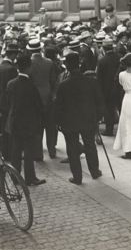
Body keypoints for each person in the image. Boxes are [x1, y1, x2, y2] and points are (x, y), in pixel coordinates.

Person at [55, 52, 104, 185]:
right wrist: (98, 117)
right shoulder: (91, 82)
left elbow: (58, 106)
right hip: (88, 119)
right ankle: (94, 171)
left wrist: (58, 122)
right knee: (90, 145)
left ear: (67, 67)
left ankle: (77, 177)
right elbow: (99, 101)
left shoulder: (63, 85)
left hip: (69, 122)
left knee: (72, 149)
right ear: (80, 64)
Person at [1, 54, 46, 186]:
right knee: (28, 152)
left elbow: (6, 103)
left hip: (15, 122)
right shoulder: (31, 85)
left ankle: (15, 178)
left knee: (15, 151)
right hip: (29, 124)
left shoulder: (11, 84)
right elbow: (38, 106)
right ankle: (30, 178)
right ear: (29, 68)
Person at [27, 39, 57, 159]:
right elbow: (53, 80)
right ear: (40, 49)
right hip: (48, 96)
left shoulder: (29, 63)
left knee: (37, 127)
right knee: (50, 125)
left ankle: (38, 153)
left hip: (34, 99)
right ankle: (52, 150)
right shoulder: (49, 62)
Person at [0, 44, 19, 161]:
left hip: (0, 102)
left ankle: (4, 152)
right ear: (13, 55)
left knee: (3, 129)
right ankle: (10, 153)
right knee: (10, 129)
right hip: (9, 103)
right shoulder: (12, 69)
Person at [96, 39, 120, 136]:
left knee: (109, 109)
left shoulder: (102, 60)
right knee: (120, 108)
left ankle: (109, 130)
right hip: (119, 87)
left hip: (106, 89)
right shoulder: (119, 58)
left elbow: (99, 77)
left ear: (103, 48)